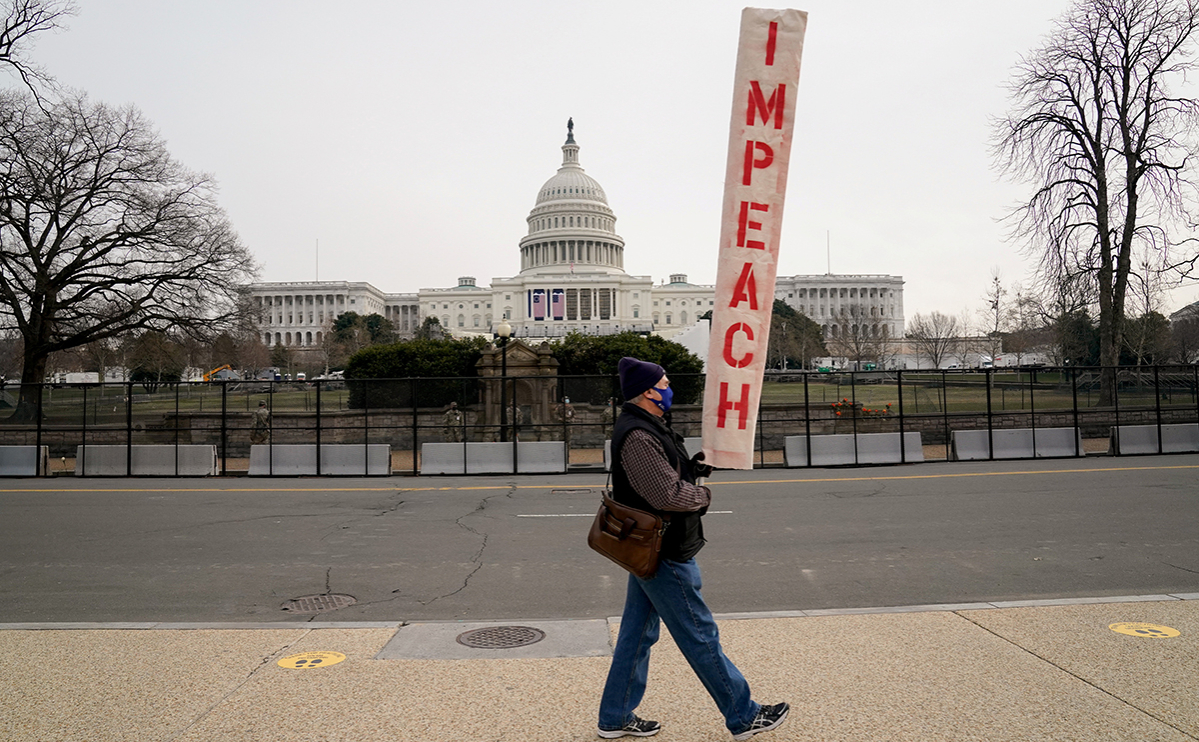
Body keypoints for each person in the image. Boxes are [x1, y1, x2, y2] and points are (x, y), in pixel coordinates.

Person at [597, 357, 789, 741]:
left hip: (650, 549)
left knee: (637, 635)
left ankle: (615, 716)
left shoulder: (649, 427)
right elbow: (665, 494)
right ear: (649, 391)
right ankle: (743, 715)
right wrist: (702, 494)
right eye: (665, 382)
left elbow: (663, 477)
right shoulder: (638, 434)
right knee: (700, 635)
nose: (670, 387)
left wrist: (693, 469)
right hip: (664, 551)